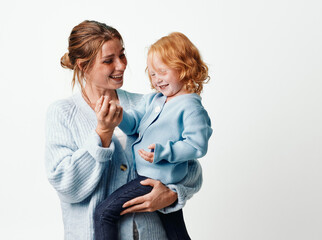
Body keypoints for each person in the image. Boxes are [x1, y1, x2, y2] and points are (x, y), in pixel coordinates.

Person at [44, 20, 203, 240]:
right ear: (83, 66)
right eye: (109, 60)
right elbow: (67, 186)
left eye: (122, 55)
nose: (121, 65)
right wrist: (102, 133)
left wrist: (173, 194)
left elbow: (191, 168)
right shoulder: (62, 113)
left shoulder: (149, 104)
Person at [93, 32, 212, 240]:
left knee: (104, 213)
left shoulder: (191, 106)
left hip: (154, 178)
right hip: (151, 175)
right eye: (153, 74)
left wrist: (164, 152)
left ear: (184, 68)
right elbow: (134, 125)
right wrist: (120, 116)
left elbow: (197, 146)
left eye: (162, 72)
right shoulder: (154, 100)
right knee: (175, 230)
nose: (157, 80)